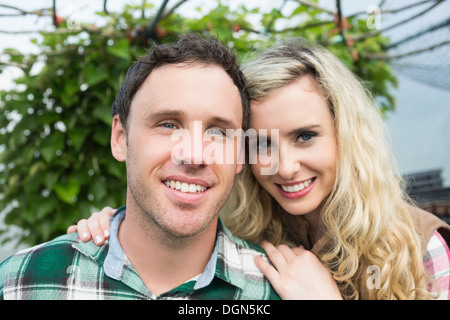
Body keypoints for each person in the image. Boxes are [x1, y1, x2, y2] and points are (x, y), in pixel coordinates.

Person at [71, 39, 450, 300]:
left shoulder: (414, 248)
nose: (283, 167)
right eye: (263, 143)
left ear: (345, 135)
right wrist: (118, 227)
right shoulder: (245, 234)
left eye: (304, 136)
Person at [0, 34, 281, 300]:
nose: (194, 156)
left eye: (218, 132)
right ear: (120, 138)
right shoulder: (21, 282)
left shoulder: (281, 291)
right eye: (168, 124)